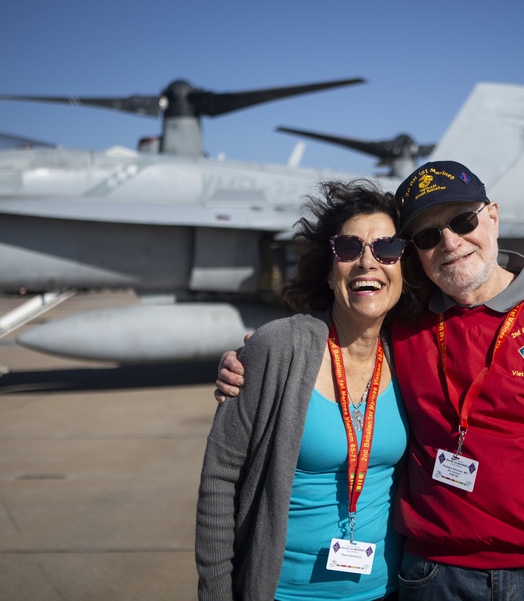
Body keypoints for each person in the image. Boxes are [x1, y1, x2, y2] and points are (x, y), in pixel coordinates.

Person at [215, 161, 524, 601]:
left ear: (492, 215)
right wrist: (251, 360)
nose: (451, 242)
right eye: (428, 236)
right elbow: (341, 326)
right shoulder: (406, 324)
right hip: (435, 574)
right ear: (415, 250)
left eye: (462, 220)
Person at [196, 179, 425, 601]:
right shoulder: (277, 348)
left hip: (387, 591)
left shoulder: (412, 353)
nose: (367, 263)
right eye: (349, 249)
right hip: (285, 592)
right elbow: (220, 478)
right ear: (328, 263)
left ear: (405, 266)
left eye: (387, 248)